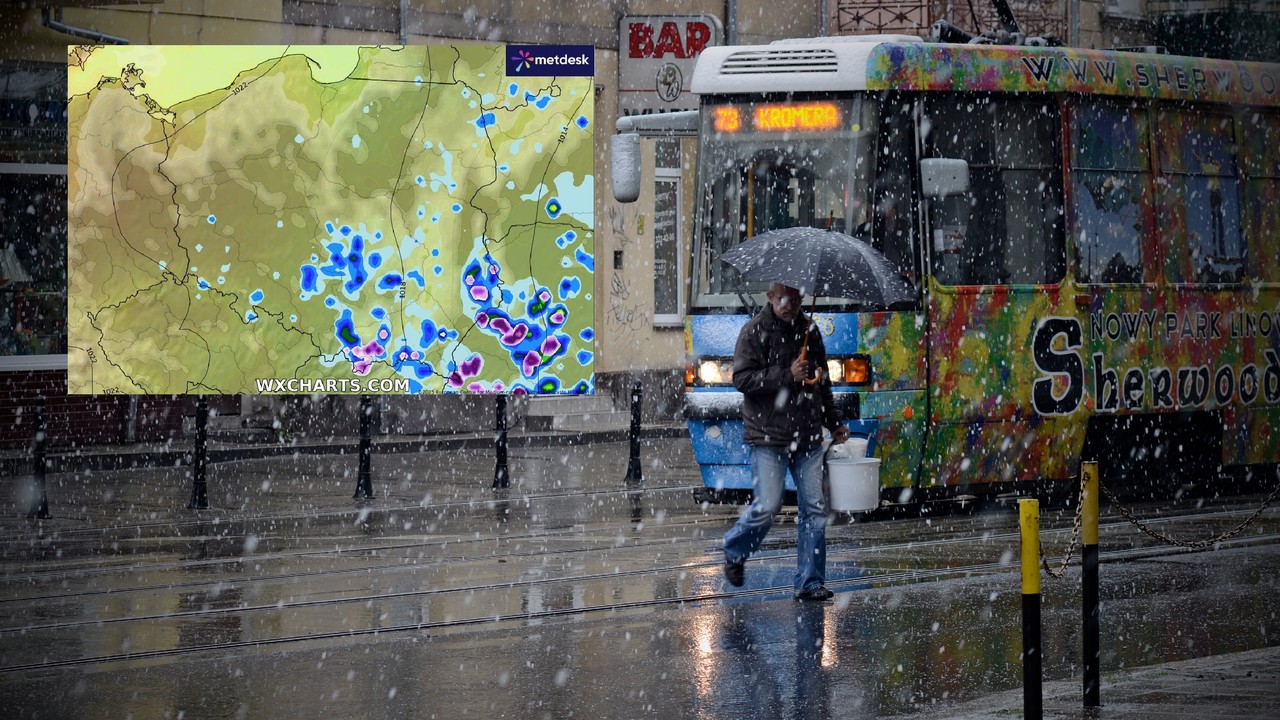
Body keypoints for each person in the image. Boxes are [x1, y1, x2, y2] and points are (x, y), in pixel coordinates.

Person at [722, 282, 850, 601]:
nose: (789, 305)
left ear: (802, 299)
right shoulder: (753, 331)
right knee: (768, 505)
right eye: (783, 299)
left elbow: (822, 383)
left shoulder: (809, 331)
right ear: (769, 298)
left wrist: (833, 423)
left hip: (806, 435)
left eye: (794, 300)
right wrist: (785, 375)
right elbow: (742, 379)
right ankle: (735, 550)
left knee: (815, 509)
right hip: (768, 435)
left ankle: (809, 581)